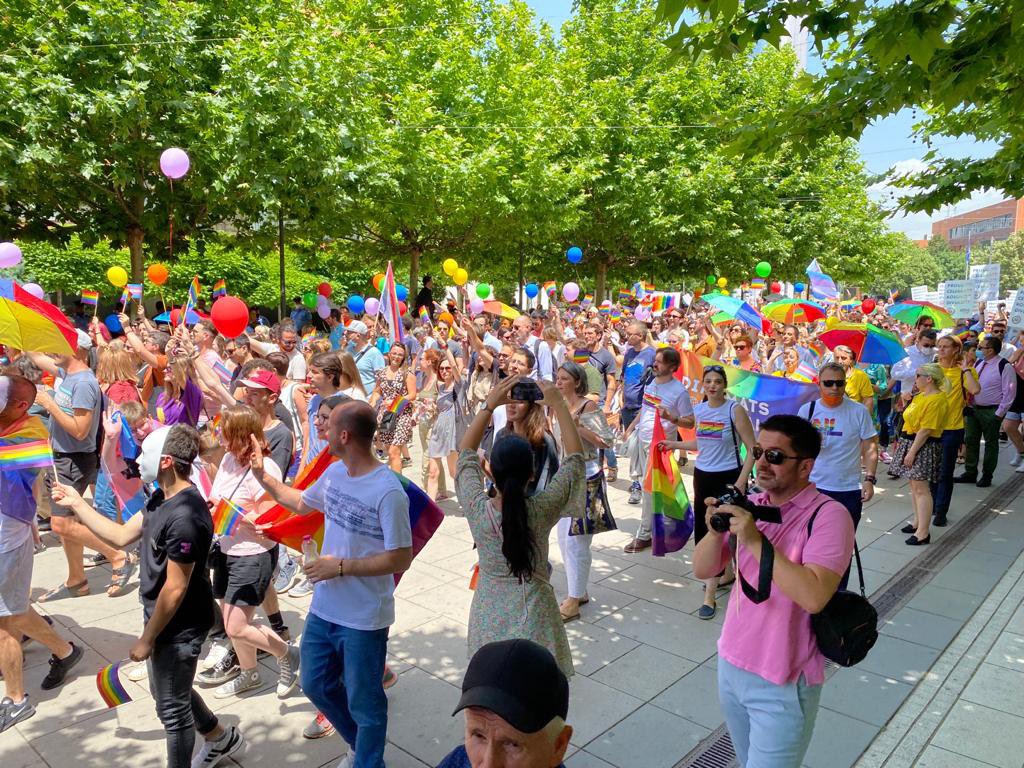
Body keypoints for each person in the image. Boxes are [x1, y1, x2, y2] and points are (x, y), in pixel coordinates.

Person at [52, 425, 245, 768]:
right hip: (161, 616)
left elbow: (175, 587)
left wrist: (147, 638)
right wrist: (76, 503)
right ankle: (219, 736)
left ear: (167, 461)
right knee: (168, 692)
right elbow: (122, 534)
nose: (138, 459)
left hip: (179, 624)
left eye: (145, 453)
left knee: (172, 710)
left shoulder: (185, 516)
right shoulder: (160, 497)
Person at [249, 399, 413, 768]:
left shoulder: (388, 491)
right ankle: (359, 747)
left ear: (344, 435)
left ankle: (368, 762)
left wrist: (340, 567)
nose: (320, 428)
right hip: (326, 608)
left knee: (365, 702)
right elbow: (301, 503)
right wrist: (263, 476)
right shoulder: (336, 473)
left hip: (365, 618)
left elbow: (401, 557)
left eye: (327, 424)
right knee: (315, 683)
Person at [693, 415, 854, 768]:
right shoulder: (752, 504)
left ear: (806, 466)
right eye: (758, 452)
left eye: (776, 456)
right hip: (732, 663)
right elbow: (703, 569)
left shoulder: (830, 516)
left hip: (783, 678)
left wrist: (753, 539)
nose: (762, 463)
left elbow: (813, 596)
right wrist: (715, 530)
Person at [455, 375, 585, 677]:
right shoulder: (542, 509)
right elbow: (576, 461)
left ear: (491, 472)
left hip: (489, 614)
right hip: (536, 615)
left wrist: (488, 406)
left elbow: (464, 457)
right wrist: (559, 405)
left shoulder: (477, 508)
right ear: (531, 474)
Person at [195, 406, 299, 700]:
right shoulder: (228, 460)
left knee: (236, 626)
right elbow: (218, 496)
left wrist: (231, 515)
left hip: (253, 554)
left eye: (226, 435)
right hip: (228, 549)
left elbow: (268, 522)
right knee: (233, 622)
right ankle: (249, 673)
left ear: (243, 436)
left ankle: (287, 654)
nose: (221, 441)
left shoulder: (266, 469)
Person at [0, 375, 85, 733]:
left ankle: (16, 701)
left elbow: (14, 469)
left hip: (8, 538)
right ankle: (66, 651)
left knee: (5, 622)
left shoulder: (32, 432)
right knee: (14, 610)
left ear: (20, 406)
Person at [31, 333, 134, 602]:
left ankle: (118, 555)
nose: (52, 351)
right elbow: (36, 356)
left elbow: (79, 431)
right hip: (63, 456)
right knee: (67, 523)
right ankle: (77, 580)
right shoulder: (68, 374)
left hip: (74, 459)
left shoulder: (85, 383)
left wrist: (49, 404)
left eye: (57, 345)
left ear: (76, 349)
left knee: (61, 524)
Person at [658, 365, 755, 618]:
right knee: (707, 531)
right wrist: (674, 443)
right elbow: (702, 442)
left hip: (729, 478)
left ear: (724, 385)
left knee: (731, 531)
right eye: (708, 381)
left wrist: (742, 481)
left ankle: (726, 587)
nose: (712, 385)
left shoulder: (734, 410)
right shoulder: (699, 410)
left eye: (717, 381)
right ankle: (714, 587)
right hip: (702, 476)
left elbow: (753, 448)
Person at [798, 362, 878, 586]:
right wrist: (811, 443)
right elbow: (796, 449)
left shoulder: (858, 411)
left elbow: (870, 447)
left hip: (846, 491)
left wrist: (870, 479)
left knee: (841, 548)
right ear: (819, 384)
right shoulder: (808, 411)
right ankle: (809, 591)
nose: (834, 388)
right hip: (812, 490)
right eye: (829, 383)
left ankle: (836, 596)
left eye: (839, 383)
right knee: (808, 543)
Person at [437, 639, 572, 768]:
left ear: (558, 746)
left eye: (513, 744)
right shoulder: (458, 760)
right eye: (479, 735)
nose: (489, 765)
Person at [553, 362, 615, 622]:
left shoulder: (587, 407)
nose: (559, 382)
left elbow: (607, 440)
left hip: (586, 476)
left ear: (577, 382)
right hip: (565, 476)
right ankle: (578, 590)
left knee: (577, 539)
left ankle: (573, 600)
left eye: (564, 378)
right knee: (564, 536)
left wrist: (578, 427)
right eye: (557, 378)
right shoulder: (558, 406)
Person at [622, 346, 695, 553]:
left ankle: (646, 534)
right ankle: (667, 526)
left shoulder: (679, 391)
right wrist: (630, 427)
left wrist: (672, 418)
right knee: (655, 489)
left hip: (660, 446)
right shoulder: (652, 383)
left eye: (660, 362)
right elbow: (645, 410)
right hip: (642, 442)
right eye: (655, 360)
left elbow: (690, 423)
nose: (655, 364)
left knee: (649, 489)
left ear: (672, 367)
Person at [891, 364, 948, 545]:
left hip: (923, 445)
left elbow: (925, 430)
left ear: (929, 378)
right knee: (914, 487)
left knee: (922, 489)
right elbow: (910, 418)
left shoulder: (937, 399)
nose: (915, 378)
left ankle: (923, 532)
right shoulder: (921, 395)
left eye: (917, 375)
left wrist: (912, 452)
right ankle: (917, 522)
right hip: (911, 441)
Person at [931, 334, 980, 526]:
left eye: (945, 347)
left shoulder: (965, 372)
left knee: (945, 472)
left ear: (956, 350)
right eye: (939, 346)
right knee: (931, 471)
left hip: (952, 428)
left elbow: (975, 390)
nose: (941, 350)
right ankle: (932, 505)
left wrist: (966, 369)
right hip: (930, 428)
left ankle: (941, 511)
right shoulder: (933, 370)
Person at [957, 336, 1015, 487]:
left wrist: (999, 414)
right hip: (975, 409)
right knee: (971, 440)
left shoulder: (1004, 365)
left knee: (990, 444)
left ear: (991, 350)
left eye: (981, 348)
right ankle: (970, 472)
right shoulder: (979, 362)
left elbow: (1009, 392)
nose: (978, 350)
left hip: (992, 410)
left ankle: (987, 475)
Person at [369, 342, 418, 473]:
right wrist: (372, 401)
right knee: (390, 453)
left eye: (400, 355)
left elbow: (412, 394)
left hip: (402, 414)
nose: (396, 357)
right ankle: (395, 483)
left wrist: (395, 401)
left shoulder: (407, 373)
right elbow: (377, 390)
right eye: (394, 353)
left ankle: (399, 487)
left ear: (404, 357)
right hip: (386, 415)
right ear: (389, 354)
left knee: (394, 452)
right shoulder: (382, 373)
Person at [346, 320, 387, 394]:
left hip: (367, 399)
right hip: (351, 397)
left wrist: (373, 399)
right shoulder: (348, 350)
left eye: (349, 332)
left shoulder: (374, 353)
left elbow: (381, 379)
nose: (345, 334)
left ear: (358, 335)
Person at [512, 315, 554, 381]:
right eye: (512, 328)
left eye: (516, 328)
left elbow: (547, 376)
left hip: (534, 389)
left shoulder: (541, 346)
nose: (513, 330)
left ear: (528, 328)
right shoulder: (516, 346)